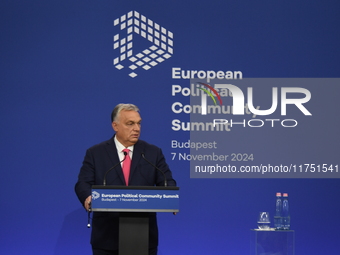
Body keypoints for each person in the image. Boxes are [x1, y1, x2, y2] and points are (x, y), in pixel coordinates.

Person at [75, 103, 176, 255]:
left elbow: (167, 181)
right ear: (115, 126)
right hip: (106, 236)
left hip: (143, 236)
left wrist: (170, 197)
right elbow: (83, 183)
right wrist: (88, 197)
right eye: (130, 124)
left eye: (139, 123)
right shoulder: (96, 153)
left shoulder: (152, 153)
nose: (137, 128)